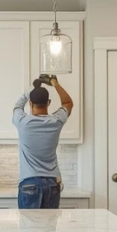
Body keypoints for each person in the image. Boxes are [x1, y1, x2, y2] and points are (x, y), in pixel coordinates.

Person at [13, 76, 73, 209]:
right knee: (49, 228)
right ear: (49, 102)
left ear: (30, 103)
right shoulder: (56, 121)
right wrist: (55, 83)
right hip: (52, 183)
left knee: (29, 228)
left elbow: (17, 105)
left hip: (29, 183)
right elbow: (68, 103)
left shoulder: (22, 122)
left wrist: (34, 88)